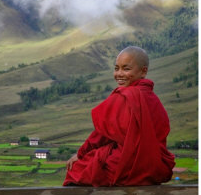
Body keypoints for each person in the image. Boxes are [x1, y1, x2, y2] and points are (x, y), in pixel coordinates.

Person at [63, 46, 175, 187]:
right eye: (116, 68)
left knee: (76, 170)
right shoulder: (154, 99)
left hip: (127, 167)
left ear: (143, 71)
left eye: (126, 69)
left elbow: (102, 134)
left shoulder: (124, 96)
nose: (119, 74)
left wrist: (80, 154)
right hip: (154, 168)